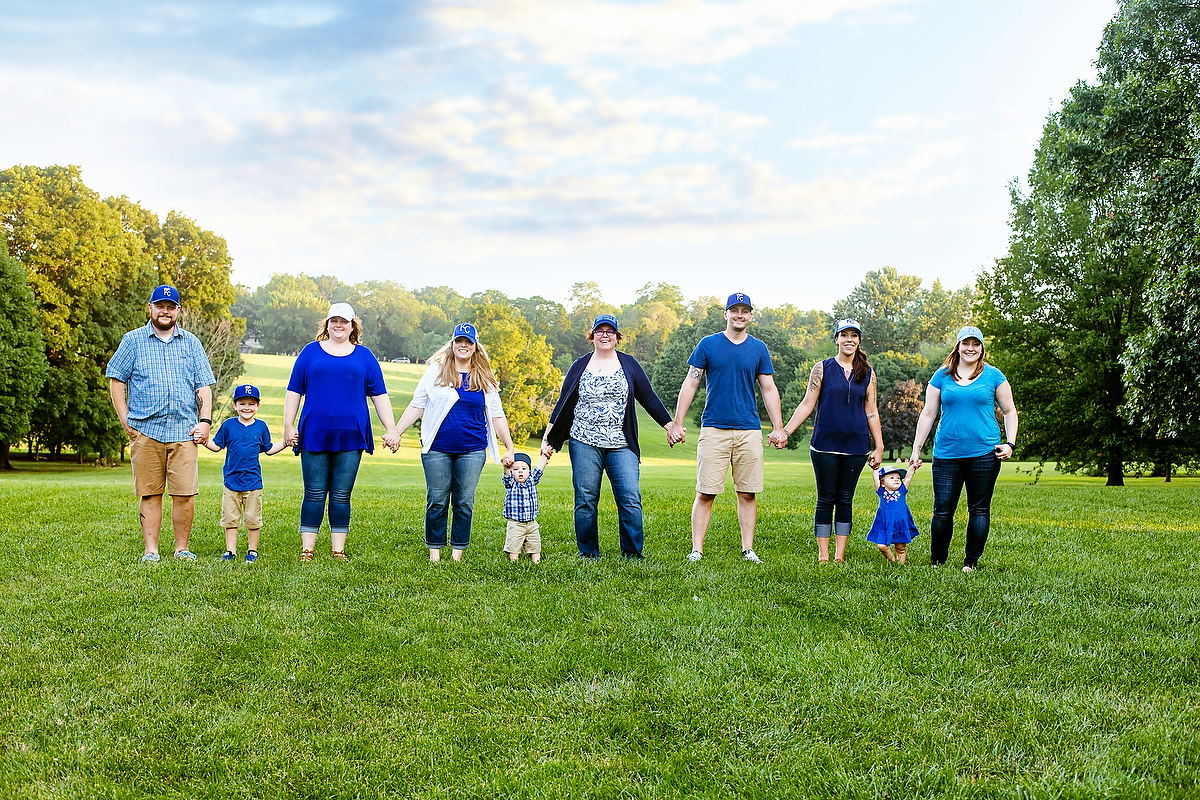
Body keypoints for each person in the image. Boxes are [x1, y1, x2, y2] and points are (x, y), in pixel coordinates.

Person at [542, 314, 675, 559]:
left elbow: (648, 398)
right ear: (592, 336)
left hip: (621, 443)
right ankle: (588, 553)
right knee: (585, 499)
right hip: (583, 440)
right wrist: (548, 437)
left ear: (617, 337)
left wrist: (670, 425)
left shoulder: (629, 364)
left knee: (630, 498)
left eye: (610, 331)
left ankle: (633, 554)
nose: (605, 335)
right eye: (600, 331)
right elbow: (563, 402)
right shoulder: (580, 365)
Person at [667, 293, 786, 563]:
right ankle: (696, 550)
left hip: (748, 430)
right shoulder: (708, 345)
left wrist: (778, 427)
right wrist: (678, 422)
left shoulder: (758, 349)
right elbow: (691, 383)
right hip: (714, 429)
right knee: (705, 491)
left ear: (751, 316)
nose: (739, 315)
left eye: (745, 311)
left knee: (747, 492)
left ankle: (748, 549)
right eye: (735, 310)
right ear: (726, 314)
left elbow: (768, 388)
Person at [106, 284, 215, 563]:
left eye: (171, 307)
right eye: (160, 306)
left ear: (178, 311)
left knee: (185, 493)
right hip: (146, 430)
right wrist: (124, 417)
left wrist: (205, 422)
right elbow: (116, 377)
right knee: (150, 492)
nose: (165, 311)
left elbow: (203, 385)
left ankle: (182, 549)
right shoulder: (133, 340)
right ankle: (151, 550)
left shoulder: (191, 342)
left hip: (184, 431)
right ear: (150, 308)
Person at [283, 303, 399, 563]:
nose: (338, 325)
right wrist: (288, 425)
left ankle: (338, 551)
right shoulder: (310, 352)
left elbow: (380, 395)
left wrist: (391, 428)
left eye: (344, 321)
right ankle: (307, 550)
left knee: (341, 494)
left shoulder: (364, 356)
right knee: (313, 492)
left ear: (352, 325)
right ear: (326, 323)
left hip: (351, 433)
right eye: (333, 320)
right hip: (314, 431)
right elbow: (294, 390)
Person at [393, 323, 516, 561]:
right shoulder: (435, 372)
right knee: (437, 500)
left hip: (472, 450)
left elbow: (496, 414)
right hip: (437, 448)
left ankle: (457, 552)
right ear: (452, 344)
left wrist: (508, 446)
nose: (463, 345)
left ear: (475, 346)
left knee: (464, 502)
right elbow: (417, 405)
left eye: (468, 342)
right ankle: (435, 553)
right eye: (459, 341)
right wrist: (397, 431)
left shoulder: (484, 377)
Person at [909, 326, 1018, 572]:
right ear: (957, 346)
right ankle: (937, 561)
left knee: (979, 509)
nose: (971, 348)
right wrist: (917, 449)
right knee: (942, 509)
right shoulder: (941, 376)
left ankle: (970, 562)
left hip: (984, 453)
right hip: (947, 453)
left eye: (976, 344)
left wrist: (1010, 443)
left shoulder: (994, 376)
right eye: (966, 343)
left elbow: (1010, 411)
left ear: (981, 348)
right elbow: (928, 413)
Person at [780, 318, 884, 563]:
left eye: (854, 335)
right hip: (824, 445)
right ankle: (823, 555)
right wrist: (786, 431)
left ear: (859, 340)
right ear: (836, 339)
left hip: (856, 447)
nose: (849, 339)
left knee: (845, 498)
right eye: (844, 335)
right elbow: (807, 403)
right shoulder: (822, 368)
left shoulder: (868, 373)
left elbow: (872, 410)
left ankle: (839, 555)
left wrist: (879, 446)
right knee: (826, 497)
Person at [203, 384, 288, 562]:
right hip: (231, 482)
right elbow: (217, 446)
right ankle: (230, 551)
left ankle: (252, 551)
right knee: (230, 519)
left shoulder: (261, 427)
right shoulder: (228, 425)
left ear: (258, 406)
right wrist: (203, 441)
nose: (246, 408)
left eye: (251, 404)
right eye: (242, 403)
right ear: (235, 405)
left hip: (253, 483)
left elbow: (269, 449)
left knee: (253, 519)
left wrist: (286, 443)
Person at [866, 464, 920, 564]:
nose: (896, 480)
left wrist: (913, 467)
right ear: (882, 483)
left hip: (900, 523)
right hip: (884, 523)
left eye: (898, 478)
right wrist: (875, 469)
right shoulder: (881, 492)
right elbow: (875, 480)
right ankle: (893, 561)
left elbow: (908, 477)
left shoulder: (902, 490)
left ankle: (901, 565)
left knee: (900, 547)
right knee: (882, 546)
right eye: (892, 478)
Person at [503, 451, 549, 563]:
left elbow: (539, 469)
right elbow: (507, 475)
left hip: (532, 523)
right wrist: (506, 466)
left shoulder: (531, 481)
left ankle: (536, 561)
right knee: (514, 545)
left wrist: (544, 456)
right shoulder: (511, 484)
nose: (520, 471)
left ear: (529, 471)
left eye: (524, 469)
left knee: (535, 544)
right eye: (515, 469)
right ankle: (514, 562)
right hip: (516, 524)